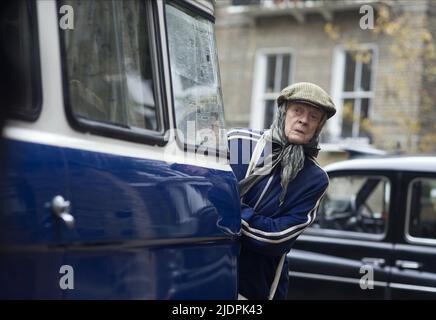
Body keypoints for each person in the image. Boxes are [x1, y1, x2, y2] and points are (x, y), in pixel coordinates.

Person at [227, 82, 336, 300]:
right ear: (283, 112)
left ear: (318, 126)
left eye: (314, 116)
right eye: (298, 111)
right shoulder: (240, 142)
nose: (304, 120)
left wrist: (229, 208)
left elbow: (276, 238)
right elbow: (199, 189)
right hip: (207, 271)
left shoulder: (313, 178)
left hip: (257, 288)